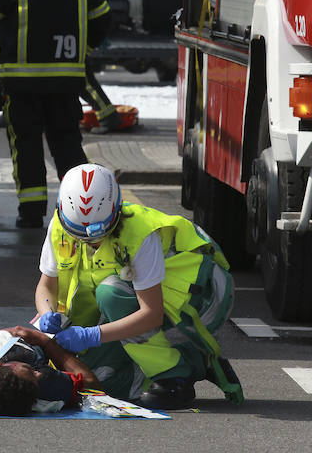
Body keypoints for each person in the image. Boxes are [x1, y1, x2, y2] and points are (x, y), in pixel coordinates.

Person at [33, 163, 243, 409]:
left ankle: (173, 375)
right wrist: (47, 313)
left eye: (97, 232)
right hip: (136, 301)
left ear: (115, 210)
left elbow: (150, 314)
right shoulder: (59, 225)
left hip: (201, 296)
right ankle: (194, 360)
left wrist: (92, 335)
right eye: (78, 232)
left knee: (111, 292)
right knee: (96, 382)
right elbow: (45, 286)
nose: (88, 240)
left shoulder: (140, 234)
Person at [0, 0, 112, 229]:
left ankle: (31, 212)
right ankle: (83, 210)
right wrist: (84, 49)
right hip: (65, 86)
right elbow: (103, 19)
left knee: (26, 148)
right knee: (68, 147)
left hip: (21, 88)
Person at [60, 0, 123, 134]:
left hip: (74, 39)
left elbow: (97, 13)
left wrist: (93, 39)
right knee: (77, 81)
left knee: (83, 82)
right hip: (77, 38)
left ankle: (108, 117)